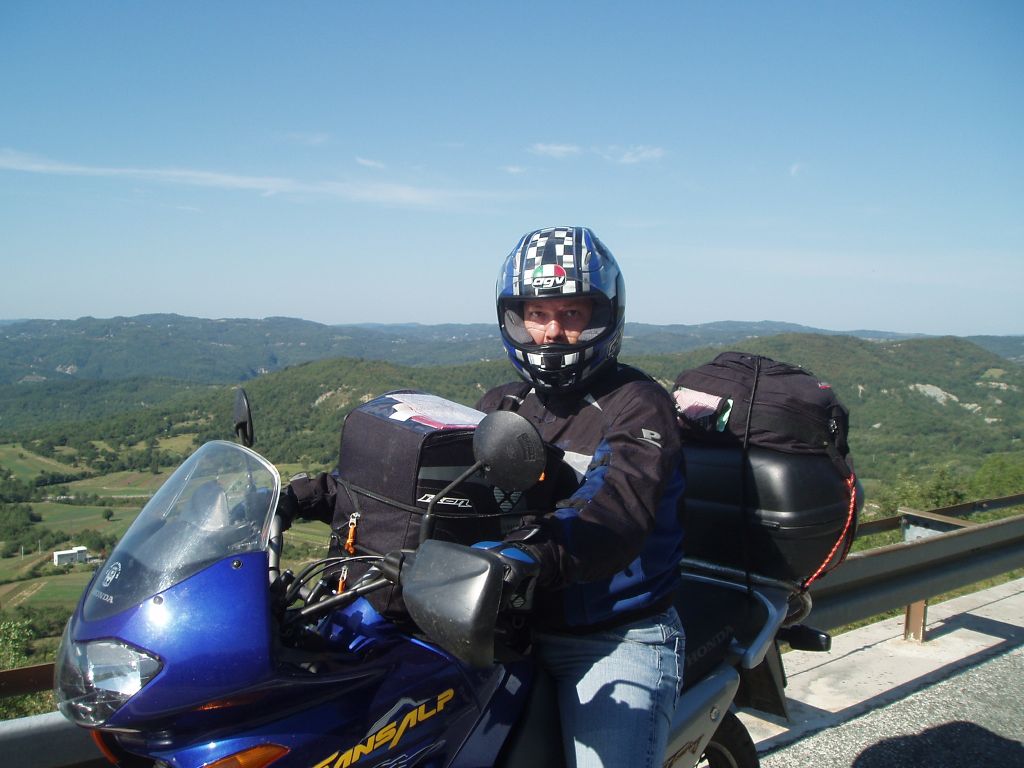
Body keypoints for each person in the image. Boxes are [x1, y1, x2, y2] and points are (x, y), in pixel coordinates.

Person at [477, 226, 686, 768]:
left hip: (612, 636)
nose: (552, 332)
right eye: (537, 313)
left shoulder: (638, 404)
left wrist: (532, 553)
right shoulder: (505, 402)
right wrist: (318, 494)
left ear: (604, 316)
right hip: (504, 624)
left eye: (571, 313)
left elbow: (615, 505)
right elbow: (432, 466)